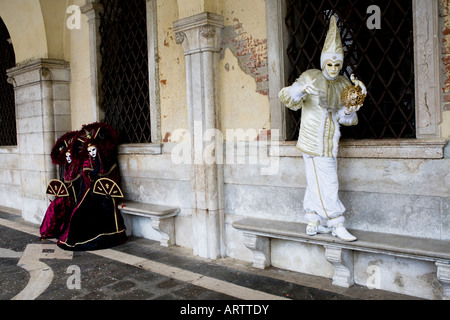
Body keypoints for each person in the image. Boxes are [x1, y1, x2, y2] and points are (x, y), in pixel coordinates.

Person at [278, 16, 366, 242]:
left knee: (316, 181)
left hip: (330, 143)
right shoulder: (311, 77)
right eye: (330, 64)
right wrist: (300, 91)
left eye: (338, 64)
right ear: (322, 62)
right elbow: (287, 97)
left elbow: (346, 119)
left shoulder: (345, 84)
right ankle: (336, 222)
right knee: (328, 182)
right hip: (312, 142)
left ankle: (312, 219)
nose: (334, 69)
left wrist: (348, 111)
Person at [57, 122, 127, 250]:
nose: (92, 153)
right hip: (89, 194)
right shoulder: (86, 163)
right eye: (89, 151)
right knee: (81, 213)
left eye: (94, 150)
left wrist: (105, 189)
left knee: (105, 207)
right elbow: (86, 179)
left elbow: (112, 178)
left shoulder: (107, 161)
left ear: (99, 148)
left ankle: (110, 236)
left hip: (105, 196)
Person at [40, 130, 82, 239]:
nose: (68, 159)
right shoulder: (66, 167)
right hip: (66, 196)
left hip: (75, 197)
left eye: (70, 156)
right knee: (55, 204)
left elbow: (77, 184)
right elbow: (63, 182)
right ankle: (51, 229)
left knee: (60, 204)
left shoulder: (78, 167)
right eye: (66, 157)